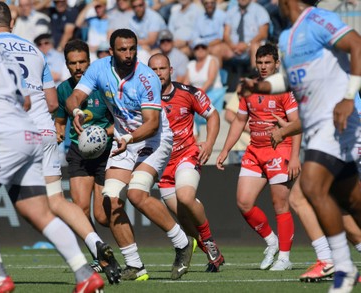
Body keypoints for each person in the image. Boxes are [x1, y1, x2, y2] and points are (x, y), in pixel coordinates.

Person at [0, 0, 105, 292]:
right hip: (29, 134)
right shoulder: (2, 52)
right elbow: (25, 99)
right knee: (37, 211)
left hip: (3, 137)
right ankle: (85, 273)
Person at [0, 2, 121, 285]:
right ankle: (95, 245)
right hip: (45, 133)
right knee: (57, 201)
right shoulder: (35, 51)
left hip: (12, 133)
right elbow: (50, 102)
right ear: (11, 23)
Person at [240, 0, 361, 290]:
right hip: (318, 125)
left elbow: (357, 44)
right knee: (350, 200)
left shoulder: (319, 19)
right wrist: (260, 87)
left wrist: (348, 96)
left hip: (340, 122)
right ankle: (340, 263)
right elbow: (292, 80)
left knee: (308, 189)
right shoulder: (286, 36)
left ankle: (340, 266)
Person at [65, 28, 193, 281]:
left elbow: (152, 123)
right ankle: (135, 266)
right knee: (110, 200)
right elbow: (75, 97)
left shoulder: (146, 78)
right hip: (124, 140)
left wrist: (127, 138)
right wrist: (76, 112)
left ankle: (182, 242)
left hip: (153, 139)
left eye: (132, 48)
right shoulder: (100, 68)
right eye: (122, 49)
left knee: (136, 193)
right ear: (111, 51)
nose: (128, 54)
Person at [217, 44, 301, 271]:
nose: (263, 67)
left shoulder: (284, 89)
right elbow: (239, 121)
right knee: (244, 202)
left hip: (280, 149)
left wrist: (294, 157)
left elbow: (296, 125)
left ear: (277, 64)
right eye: (260, 63)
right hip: (255, 150)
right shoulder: (250, 88)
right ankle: (271, 241)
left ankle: (284, 258)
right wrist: (225, 149)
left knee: (280, 204)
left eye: (268, 63)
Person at [148, 53, 226, 273]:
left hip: (186, 155)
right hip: (162, 164)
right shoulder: (143, 99)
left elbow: (213, 115)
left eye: (162, 68)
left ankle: (209, 241)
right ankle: (214, 256)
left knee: (185, 197)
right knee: (183, 217)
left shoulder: (188, 93)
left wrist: (209, 143)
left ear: (170, 70)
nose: (158, 73)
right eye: (153, 70)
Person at [54, 39, 114, 271]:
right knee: (79, 210)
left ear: (89, 62)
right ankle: (103, 258)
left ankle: (127, 245)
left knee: (101, 216)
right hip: (79, 151)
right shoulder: (64, 90)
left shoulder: (103, 86)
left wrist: (102, 132)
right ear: (67, 65)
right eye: (73, 63)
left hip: (105, 151)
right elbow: (60, 121)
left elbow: (119, 121)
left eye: (82, 62)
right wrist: (59, 133)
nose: (78, 67)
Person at [211, 0, 270, 69]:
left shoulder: (260, 11)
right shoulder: (231, 12)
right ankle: (216, 77)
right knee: (216, 49)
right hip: (233, 48)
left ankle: (256, 75)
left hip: (250, 46)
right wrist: (233, 46)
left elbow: (263, 34)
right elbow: (226, 34)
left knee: (256, 48)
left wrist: (247, 45)